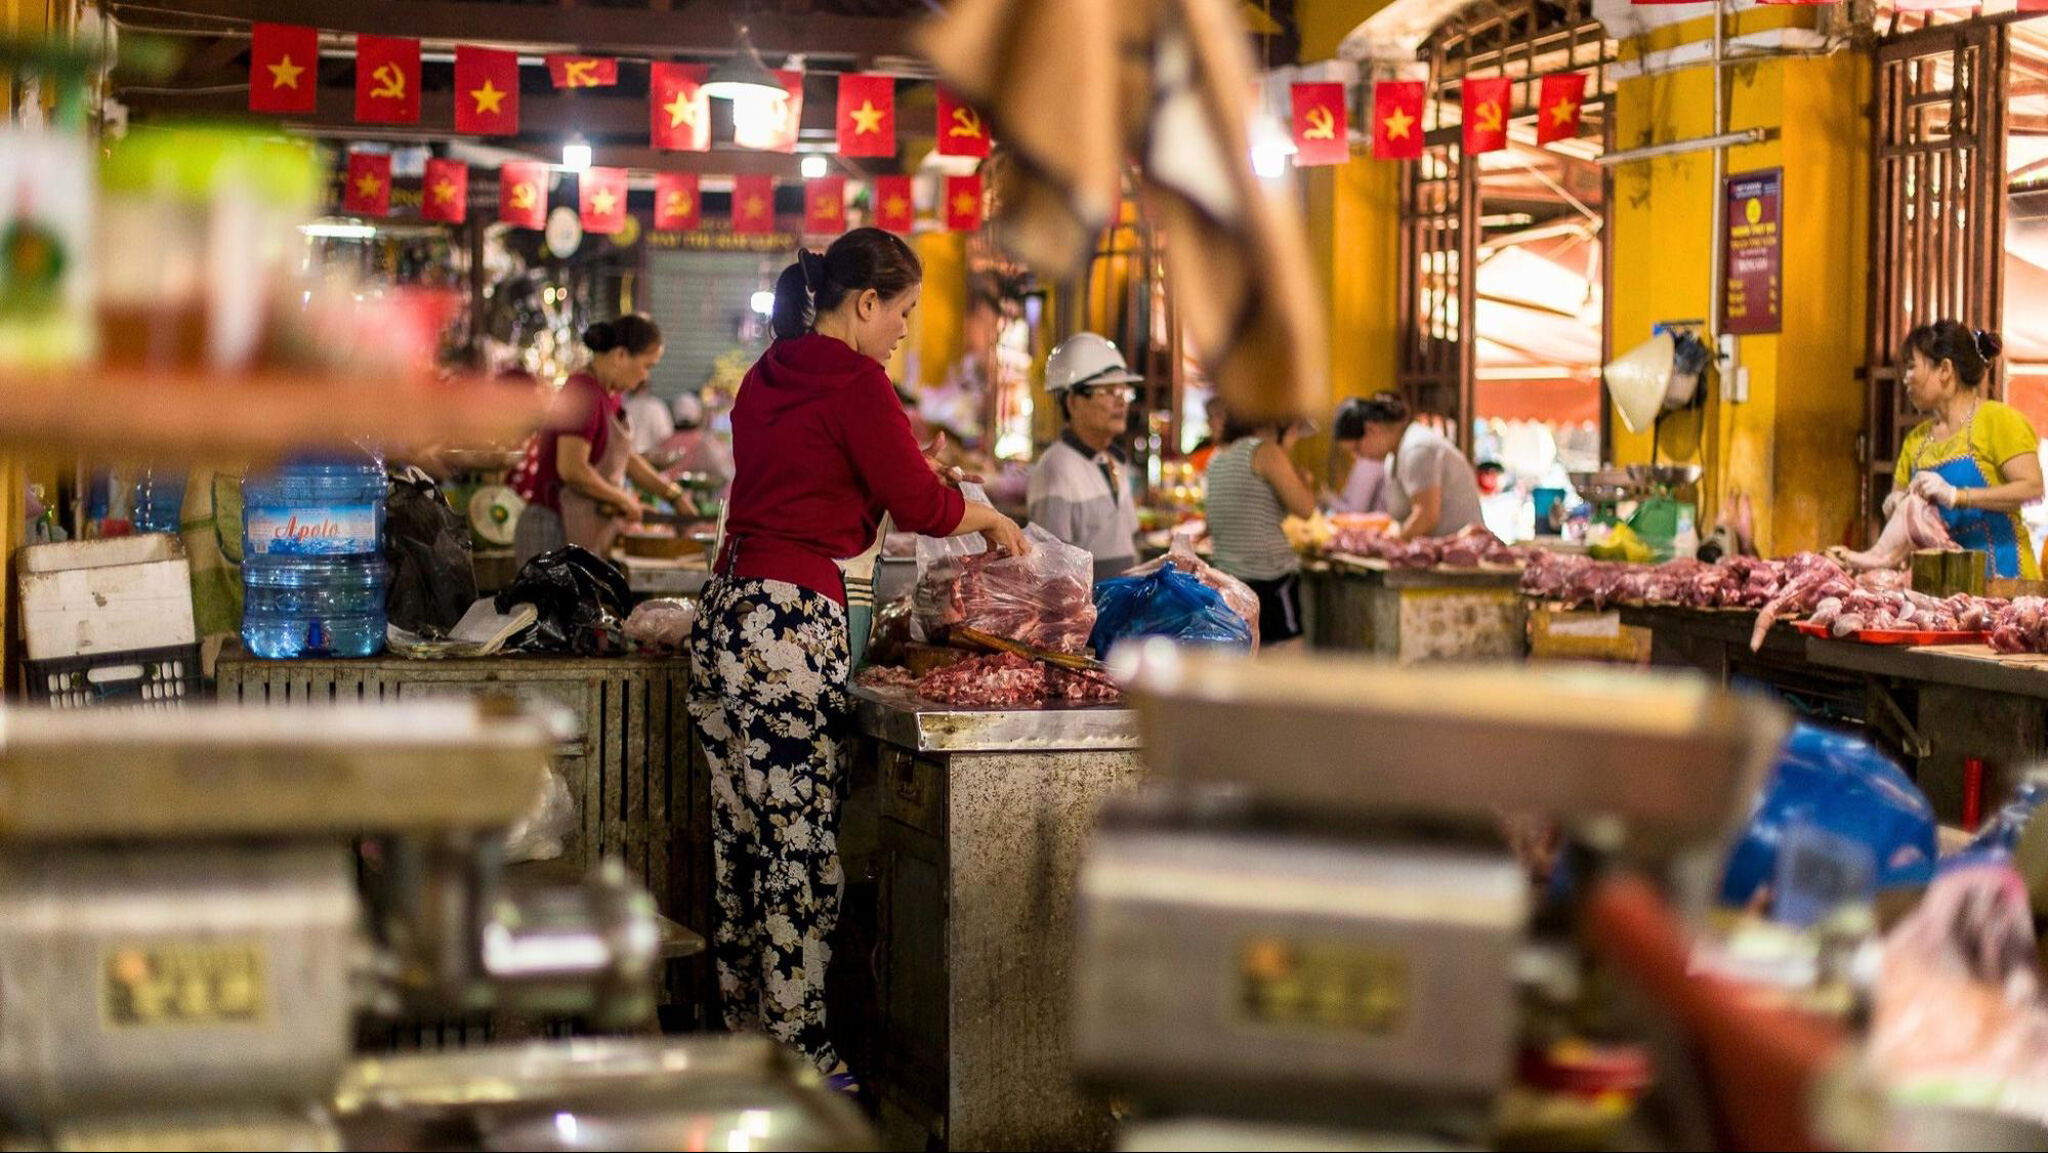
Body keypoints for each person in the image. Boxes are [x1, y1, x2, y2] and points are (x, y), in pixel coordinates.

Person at [687, 229, 1028, 1086]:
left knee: (742, 839)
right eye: (904, 311)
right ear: (865, 302)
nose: (906, 329)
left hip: (727, 615)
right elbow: (915, 502)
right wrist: (984, 514)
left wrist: (912, 473)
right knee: (799, 846)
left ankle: (743, 1030)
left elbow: (831, 476)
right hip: (788, 629)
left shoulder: (773, 369)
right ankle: (801, 1052)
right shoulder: (858, 379)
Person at [509, 315, 691, 565]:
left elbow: (624, 456)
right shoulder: (583, 392)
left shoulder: (609, 394)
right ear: (620, 356)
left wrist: (673, 495)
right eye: (647, 366)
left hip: (577, 526)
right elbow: (572, 468)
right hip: (550, 527)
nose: (645, 377)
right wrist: (622, 499)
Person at [1891, 321, 2043, 579]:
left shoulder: (1998, 420)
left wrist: (1957, 496)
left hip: (2006, 581)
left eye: (1912, 366)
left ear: (1945, 370)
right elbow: (1898, 509)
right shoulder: (1915, 441)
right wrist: (1895, 504)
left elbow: (2032, 487)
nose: (1906, 378)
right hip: (1944, 587)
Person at [1027, 333, 1142, 581]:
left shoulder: (1115, 460)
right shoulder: (1057, 467)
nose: (1121, 402)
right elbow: (1050, 569)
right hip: (1088, 616)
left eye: (1123, 391)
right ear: (1073, 402)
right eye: (1108, 392)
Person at [1206, 412, 1319, 647]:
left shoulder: (1218, 456)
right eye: (1295, 430)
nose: (1296, 438)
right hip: (1269, 581)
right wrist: (1303, 478)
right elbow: (1305, 508)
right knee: (1286, 667)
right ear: (1278, 425)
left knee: (1246, 661)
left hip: (1229, 582)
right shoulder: (1266, 452)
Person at [1336, 391, 1485, 539]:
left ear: (1371, 429)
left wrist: (1392, 545)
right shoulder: (1393, 457)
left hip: (1463, 554)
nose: (1359, 456)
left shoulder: (1417, 448)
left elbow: (1426, 516)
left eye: (1357, 448)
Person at [1328, 397, 1389, 515]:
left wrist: (1328, 498)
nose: (1356, 455)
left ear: (1371, 430)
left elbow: (1355, 510)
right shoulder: (1372, 458)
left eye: (1357, 449)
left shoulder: (1370, 462)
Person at [623, 374, 675, 456]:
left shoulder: (624, 407)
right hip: (650, 459)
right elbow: (665, 436)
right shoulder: (656, 406)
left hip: (628, 459)